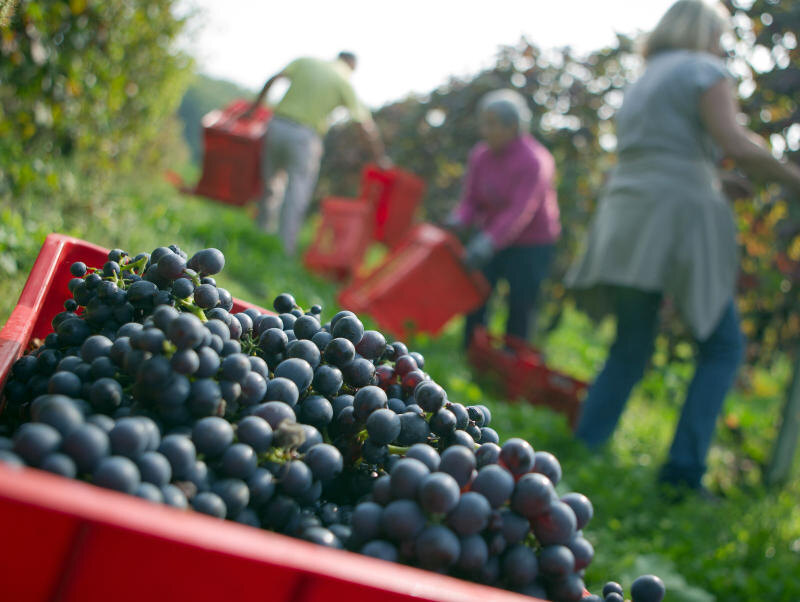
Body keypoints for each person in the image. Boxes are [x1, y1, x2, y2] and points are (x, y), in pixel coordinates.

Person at [566, 0, 800, 495]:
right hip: (679, 215)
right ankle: (683, 472)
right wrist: (790, 176)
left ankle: (585, 445)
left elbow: (662, 151)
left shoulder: (645, 77)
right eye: (720, 34)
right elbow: (734, 142)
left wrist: (709, 175)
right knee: (722, 344)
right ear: (705, 31)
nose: (722, 45)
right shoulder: (704, 70)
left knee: (631, 342)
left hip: (628, 209)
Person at [447, 89, 561, 349]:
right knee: (477, 292)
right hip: (491, 234)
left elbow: (520, 211)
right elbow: (471, 199)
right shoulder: (481, 155)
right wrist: (459, 220)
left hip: (531, 242)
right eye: (483, 123)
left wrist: (488, 242)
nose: (485, 131)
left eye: (492, 124)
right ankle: (473, 351)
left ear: (513, 127)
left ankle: (512, 358)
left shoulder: (534, 160)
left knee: (521, 302)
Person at [245, 51, 388, 255]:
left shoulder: (306, 62)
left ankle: (260, 235)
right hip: (304, 136)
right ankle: (283, 250)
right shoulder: (343, 81)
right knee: (296, 192)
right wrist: (379, 156)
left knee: (270, 183)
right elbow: (363, 124)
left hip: (277, 125)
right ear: (351, 65)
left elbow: (273, 79)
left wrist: (254, 108)